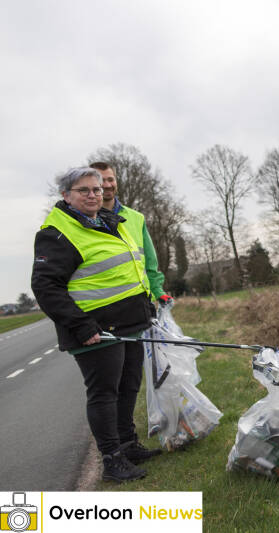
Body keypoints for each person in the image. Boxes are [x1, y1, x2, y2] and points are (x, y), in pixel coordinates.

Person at [31, 167, 161, 483]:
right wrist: (81, 326)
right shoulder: (56, 234)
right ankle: (112, 460)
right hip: (96, 331)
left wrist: (148, 305)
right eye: (84, 190)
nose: (93, 195)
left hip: (129, 323)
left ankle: (128, 445)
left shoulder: (108, 221)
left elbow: (130, 267)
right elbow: (45, 287)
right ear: (66, 195)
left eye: (97, 189)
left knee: (129, 386)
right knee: (104, 393)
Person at [88, 161, 173, 306]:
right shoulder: (84, 219)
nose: (108, 185)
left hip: (141, 304)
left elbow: (150, 261)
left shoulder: (136, 218)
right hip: (104, 307)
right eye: (102, 180)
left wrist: (158, 291)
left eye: (111, 179)